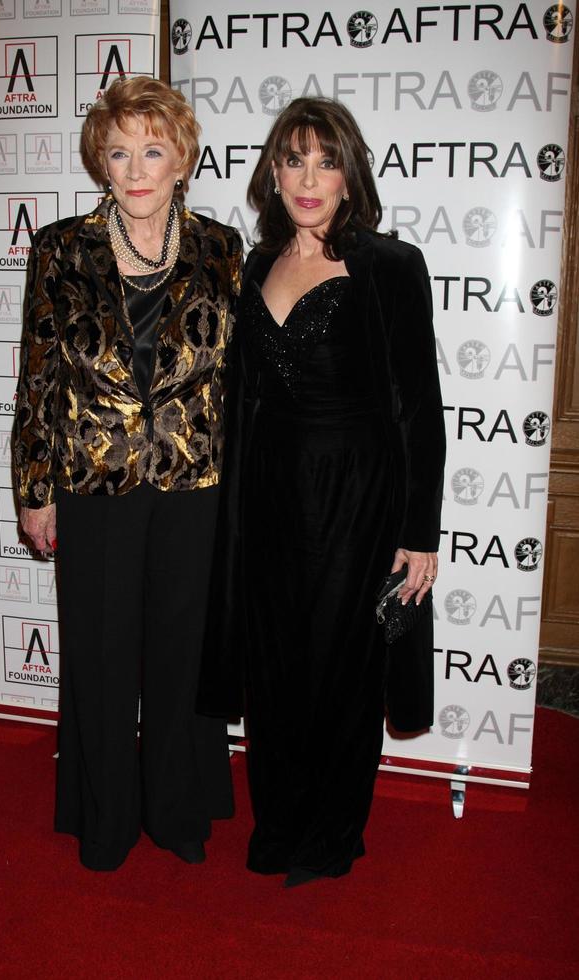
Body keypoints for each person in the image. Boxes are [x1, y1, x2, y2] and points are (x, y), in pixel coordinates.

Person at [200, 97, 446, 887]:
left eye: (325, 160)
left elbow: (420, 409)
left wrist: (419, 532)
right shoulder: (254, 265)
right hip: (269, 498)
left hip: (357, 500)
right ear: (273, 173)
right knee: (275, 668)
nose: (309, 178)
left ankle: (332, 832)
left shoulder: (388, 266)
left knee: (340, 670)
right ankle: (279, 824)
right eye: (294, 160)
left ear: (349, 175)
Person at [13, 76, 242, 872]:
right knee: (102, 658)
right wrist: (35, 490)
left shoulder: (221, 249)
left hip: (193, 488)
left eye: (153, 150)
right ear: (100, 164)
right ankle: (106, 819)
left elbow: (236, 381)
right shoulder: (60, 249)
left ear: (182, 159)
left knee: (183, 654)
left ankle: (177, 809)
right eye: (119, 152)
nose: (137, 168)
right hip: (94, 486)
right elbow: (38, 378)